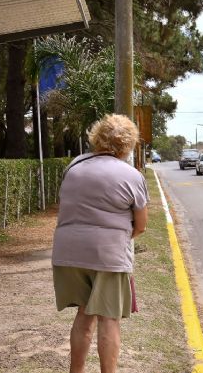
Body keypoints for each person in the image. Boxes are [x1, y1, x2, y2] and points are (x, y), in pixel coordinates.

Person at [52, 114, 150, 373]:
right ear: (129, 144)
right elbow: (141, 225)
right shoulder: (132, 175)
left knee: (84, 314)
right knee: (109, 318)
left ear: (96, 137)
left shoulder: (74, 165)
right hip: (107, 255)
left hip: (68, 252)